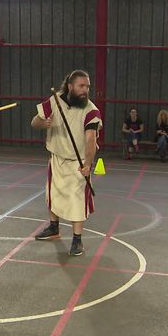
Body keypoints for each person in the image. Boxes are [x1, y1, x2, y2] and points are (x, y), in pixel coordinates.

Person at [31, 70, 102, 256]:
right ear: (70, 86)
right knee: (52, 194)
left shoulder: (91, 111)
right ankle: (54, 228)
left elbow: (91, 140)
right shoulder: (54, 101)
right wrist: (43, 122)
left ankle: (77, 240)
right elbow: (34, 123)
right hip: (56, 158)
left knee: (77, 202)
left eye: (87, 86)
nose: (85, 90)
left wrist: (88, 165)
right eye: (81, 86)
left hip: (77, 163)